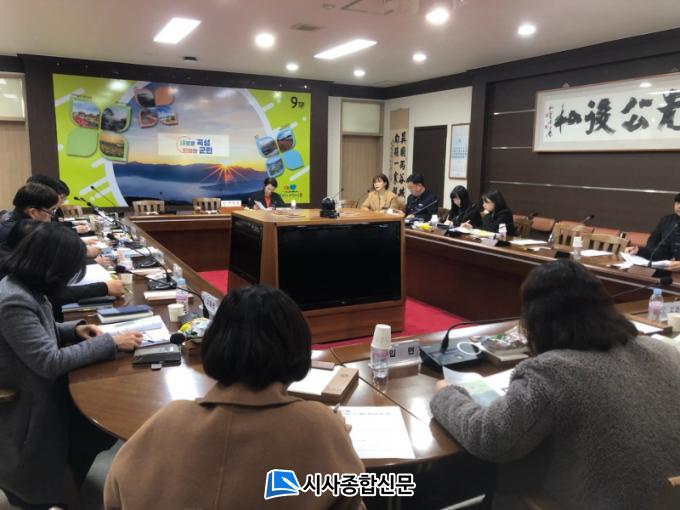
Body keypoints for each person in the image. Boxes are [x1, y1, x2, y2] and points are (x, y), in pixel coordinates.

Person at [430, 259, 680, 509]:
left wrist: (447, 394)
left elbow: (489, 439)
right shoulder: (664, 351)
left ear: (536, 319)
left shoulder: (553, 372)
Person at [104, 285, 365, 510]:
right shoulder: (318, 425)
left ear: (216, 342)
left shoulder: (167, 420)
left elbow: (114, 498)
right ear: (298, 348)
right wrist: (336, 438)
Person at [0, 222, 142, 509]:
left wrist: (74, 330)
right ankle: (51, 492)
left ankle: (69, 479)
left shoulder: (24, 285)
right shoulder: (13, 300)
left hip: (37, 382)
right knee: (98, 415)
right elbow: (48, 362)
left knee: (98, 418)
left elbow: (40, 329)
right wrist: (111, 342)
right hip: (29, 396)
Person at [2, 219, 125, 321]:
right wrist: (103, 288)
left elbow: (50, 329)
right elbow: (54, 297)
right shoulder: (17, 301)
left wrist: (75, 330)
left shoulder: (23, 272)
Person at [625, 192, 680, 271]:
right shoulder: (666, 220)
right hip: (663, 265)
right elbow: (653, 242)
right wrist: (639, 251)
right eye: (678, 203)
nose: (679, 206)